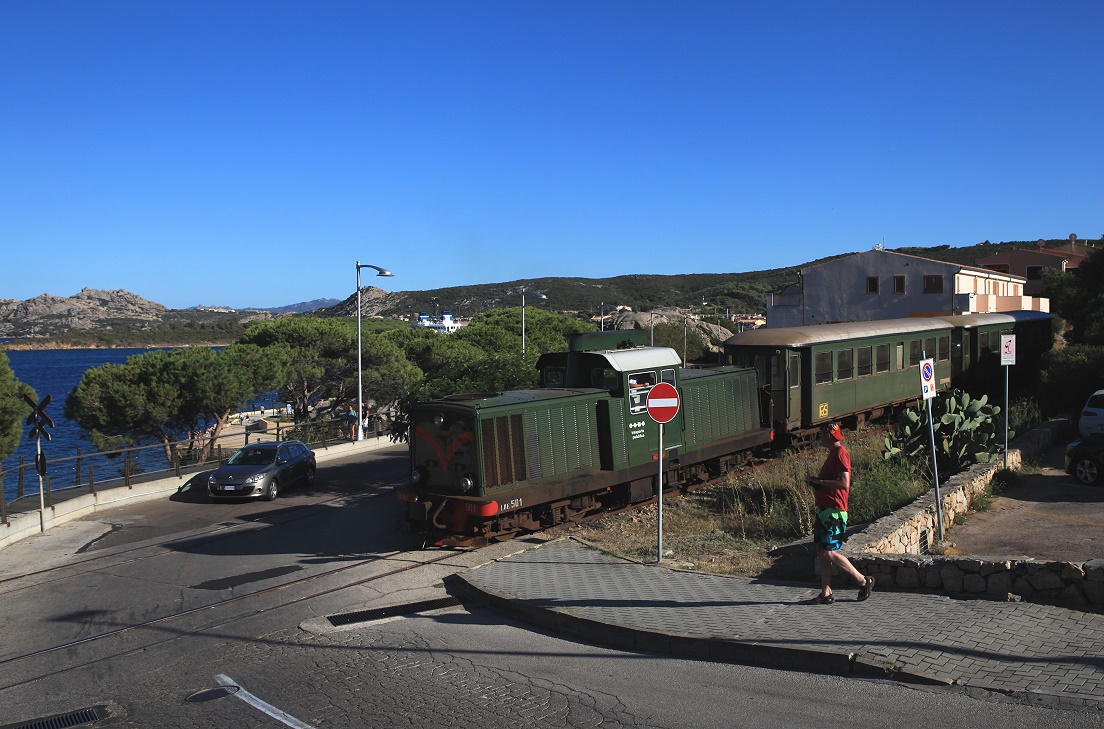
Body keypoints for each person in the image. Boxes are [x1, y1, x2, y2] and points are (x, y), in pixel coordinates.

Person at [804, 421, 875, 605]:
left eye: (821, 434)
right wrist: (818, 483)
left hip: (834, 512)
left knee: (829, 552)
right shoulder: (833, 453)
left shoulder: (841, 453)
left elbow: (844, 483)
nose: (819, 438)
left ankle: (863, 581)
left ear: (828, 435)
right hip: (825, 510)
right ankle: (826, 593)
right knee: (821, 550)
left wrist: (819, 482)